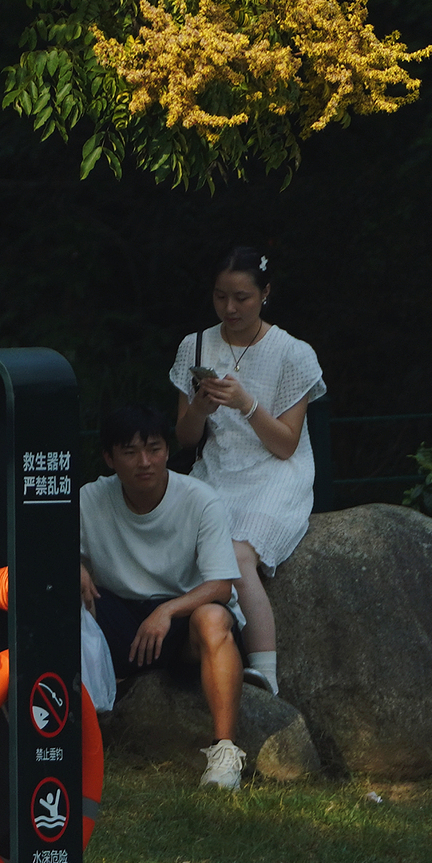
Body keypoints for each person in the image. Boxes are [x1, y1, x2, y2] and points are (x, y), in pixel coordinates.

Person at [171, 246, 326, 697]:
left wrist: (247, 404)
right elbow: (184, 438)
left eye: (241, 297)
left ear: (265, 294)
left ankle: (264, 672)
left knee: (237, 556)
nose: (230, 308)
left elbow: (285, 444)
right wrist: (199, 407)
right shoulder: (195, 345)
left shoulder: (293, 354)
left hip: (276, 472)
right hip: (217, 468)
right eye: (221, 297)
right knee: (181, 551)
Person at [79, 403, 247, 790]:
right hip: (118, 615)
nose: (144, 462)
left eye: (154, 449)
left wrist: (169, 610)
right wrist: (75, 566)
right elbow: (50, 552)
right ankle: (74, 737)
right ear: (108, 457)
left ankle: (224, 754)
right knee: (63, 602)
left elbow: (222, 585)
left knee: (214, 618)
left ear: (167, 452)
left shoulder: (201, 500)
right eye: (130, 452)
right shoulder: (90, 499)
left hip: (182, 618)